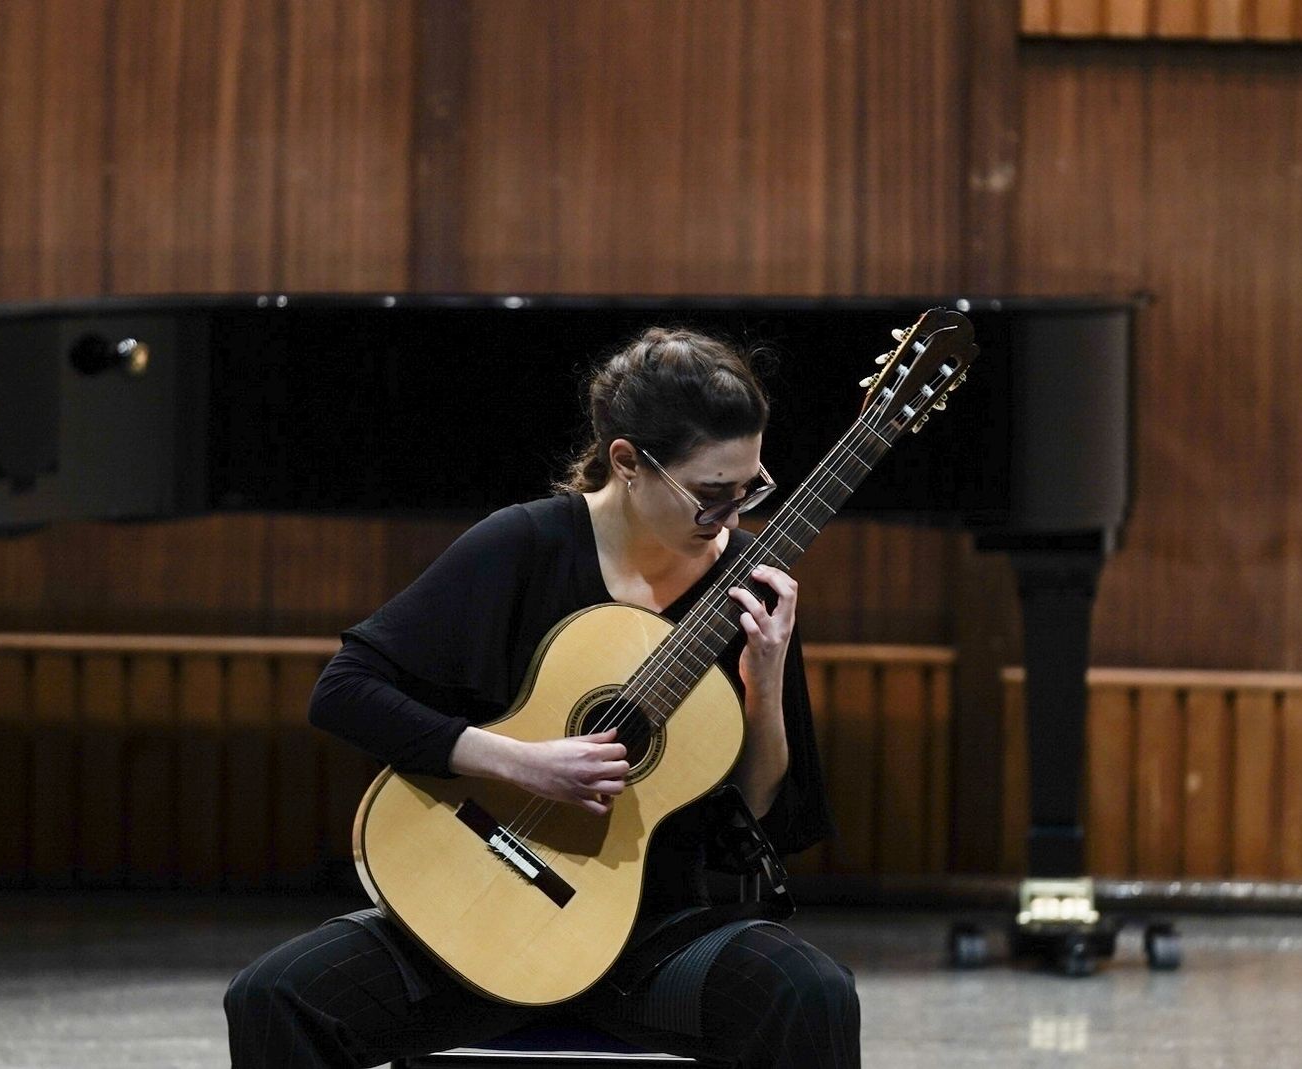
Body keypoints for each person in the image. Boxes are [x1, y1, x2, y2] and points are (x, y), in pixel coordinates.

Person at [224, 327, 860, 1068]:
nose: (730, 515)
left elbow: (757, 815)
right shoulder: (522, 545)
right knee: (272, 994)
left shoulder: (750, 585)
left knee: (812, 992)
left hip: (653, 944)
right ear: (628, 462)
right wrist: (522, 763)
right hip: (478, 920)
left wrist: (768, 674)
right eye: (709, 494)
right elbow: (344, 692)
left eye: (749, 487)